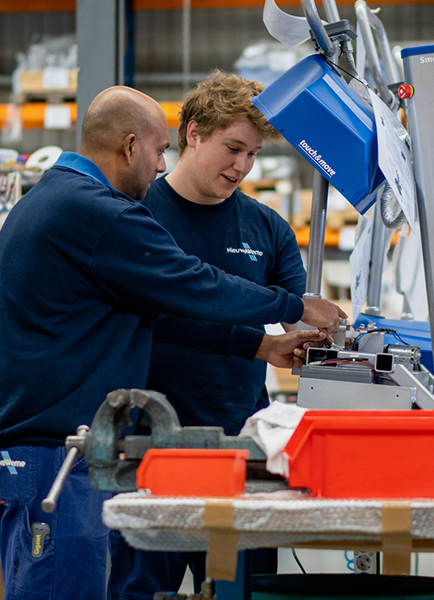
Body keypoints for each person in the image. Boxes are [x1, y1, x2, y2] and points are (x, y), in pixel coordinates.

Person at [0, 85, 345, 600]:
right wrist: (295, 305)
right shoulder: (101, 212)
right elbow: (191, 284)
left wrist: (259, 347)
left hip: (39, 449)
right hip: (53, 452)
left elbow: (153, 315)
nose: (158, 166)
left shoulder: (56, 195)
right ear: (131, 146)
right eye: (158, 152)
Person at [107, 71, 331, 600]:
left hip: (243, 448)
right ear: (193, 133)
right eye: (233, 148)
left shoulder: (268, 228)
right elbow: (155, 320)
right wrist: (260, 341)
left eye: (252, 155)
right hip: (153, 444)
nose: (242, 167)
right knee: (140, 589)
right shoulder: (138, 216)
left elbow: (294, 321)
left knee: (245, 590)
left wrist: (318, 344)